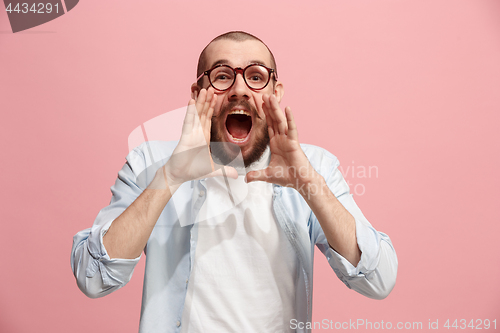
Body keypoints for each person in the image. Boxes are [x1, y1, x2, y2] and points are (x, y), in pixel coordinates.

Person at [71, 31, 398, 333]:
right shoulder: (150, 163)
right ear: (198, 93)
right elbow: (95, 277)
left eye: (256, 77)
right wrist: (170, 177)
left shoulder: (315, 166)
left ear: (275, 92)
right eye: (222, 76)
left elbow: (377, 279)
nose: (239, 90)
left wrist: (308, 184)